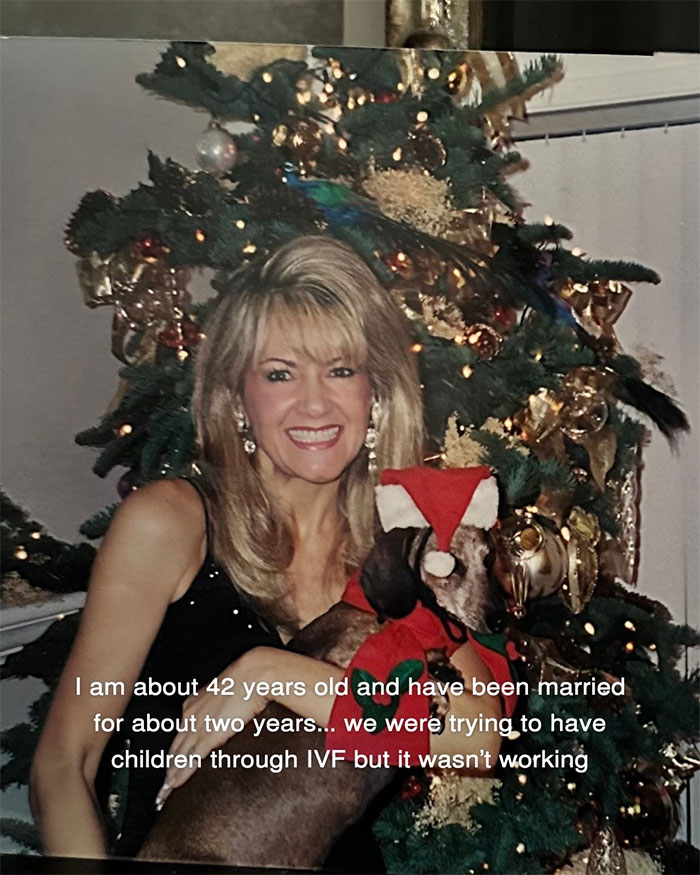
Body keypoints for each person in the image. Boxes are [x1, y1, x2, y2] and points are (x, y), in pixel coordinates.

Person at [29, 235, 503, 864]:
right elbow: (64, 764)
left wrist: (269, 672)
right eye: (280, 374)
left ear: (376, 395)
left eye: (341, 370)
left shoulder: (403, 551)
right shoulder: (170, 525)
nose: (315, 403)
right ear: (238, 400)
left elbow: (477, 735)